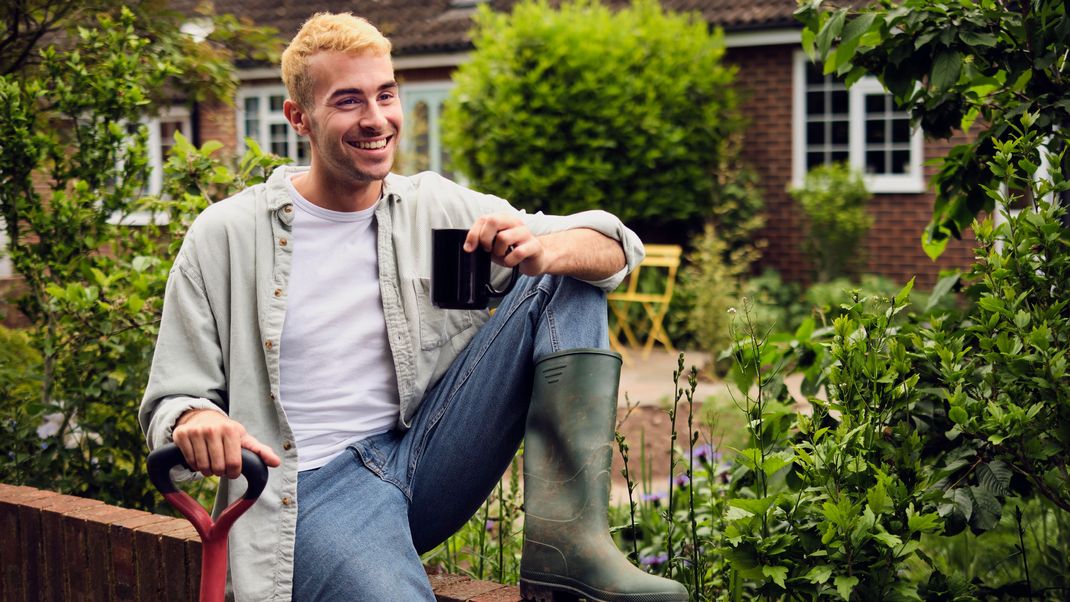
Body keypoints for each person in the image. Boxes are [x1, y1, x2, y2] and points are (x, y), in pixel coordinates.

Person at [140, 12, 687, 602]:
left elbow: (614, 246)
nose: (376, 119)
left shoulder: (434, 207)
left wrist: (543, 249)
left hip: (426, 455)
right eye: (348, 101)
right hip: (314, 489)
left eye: (386, 95)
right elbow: (173, 396)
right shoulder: (227, 235)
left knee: (565, 277)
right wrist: (197, 420)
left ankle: (571, 547)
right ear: (299, 118)